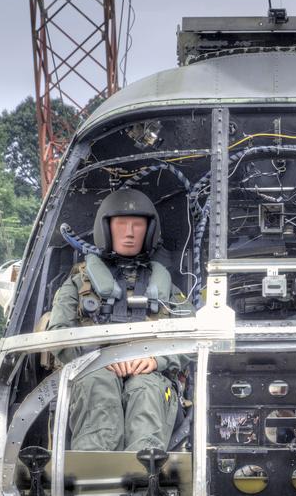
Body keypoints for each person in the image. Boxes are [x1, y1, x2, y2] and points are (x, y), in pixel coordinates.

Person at [48, 188, 191, 452]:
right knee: (97, 385)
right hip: (92, 370)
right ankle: (91, 473)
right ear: (107, 229)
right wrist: (100, 360)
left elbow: (191, 337)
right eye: (121, 225)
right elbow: (58, 334)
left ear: (149, 232)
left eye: (137, 225)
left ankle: (146, 474)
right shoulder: (77, 283)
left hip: (150, 374)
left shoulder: (168, 290)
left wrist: (156, 361)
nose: (129, 233)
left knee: (146, 389)